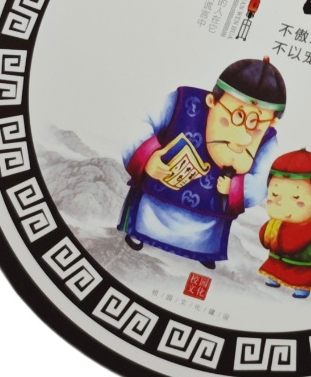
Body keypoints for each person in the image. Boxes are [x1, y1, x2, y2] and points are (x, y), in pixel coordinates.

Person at [118, 57, 285, 268]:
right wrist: (149, 158)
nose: (244, 136)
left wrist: (234, 187)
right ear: (212, 101)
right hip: (153, 207)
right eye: (237, 116)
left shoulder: (268, 141)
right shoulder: (182, 102)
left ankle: (202, 253)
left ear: (272, 121)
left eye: (256, 123)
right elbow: (141, 124)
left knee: (204, 242)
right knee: (145, 223)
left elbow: (263, 181)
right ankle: (139, 235)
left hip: (207, 226)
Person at [258, 148, 311, 298]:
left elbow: (293, 244)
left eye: (295, 197)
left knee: (299, 273)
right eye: (274, 194)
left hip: (301, 260)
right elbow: (267, 238)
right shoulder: (277, 222)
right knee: (275, 265)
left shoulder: (307, 227)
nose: (280, 203)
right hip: (279, 255)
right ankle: (274, 279)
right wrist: (268, 233)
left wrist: (278, 237)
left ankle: (301, 289)